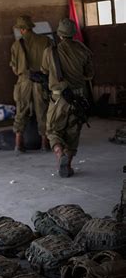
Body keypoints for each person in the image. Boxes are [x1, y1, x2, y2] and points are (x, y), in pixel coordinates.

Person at [41, 18, 94, 177]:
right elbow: (89, 74)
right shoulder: (84, 50)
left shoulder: (50, 51)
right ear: (74, 34)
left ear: (60, 34)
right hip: (78, 99)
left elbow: (44, 71)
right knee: (73, 133)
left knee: (52, 130)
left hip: (58, 99)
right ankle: (68, 166)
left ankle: (60, 154)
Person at [10, 15, 52, 154]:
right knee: (43, 111)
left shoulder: (16, 45)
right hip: (41, 81)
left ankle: (18, 145)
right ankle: (45, 145)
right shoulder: (46, 41)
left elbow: (15, 69)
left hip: (24, 81)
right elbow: (52, 64)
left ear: (22, 30)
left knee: (21, 111)